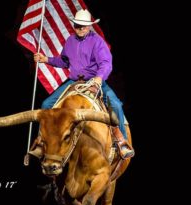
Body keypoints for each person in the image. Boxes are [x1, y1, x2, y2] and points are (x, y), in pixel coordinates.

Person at [30, 9, 134, 159]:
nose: (80, 28)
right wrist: (46, 59)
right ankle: (41, 141)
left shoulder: (97, 41)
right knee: (46, 105)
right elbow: (64, 61)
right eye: (78, 25)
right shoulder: (70, 41)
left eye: (84, 26)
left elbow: (106, 64)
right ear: (74, 25)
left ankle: (122, 141)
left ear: (90, 26)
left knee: (116, 105)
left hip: (94, 80)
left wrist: (98, 79)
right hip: (74, 81)